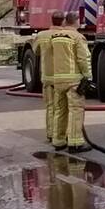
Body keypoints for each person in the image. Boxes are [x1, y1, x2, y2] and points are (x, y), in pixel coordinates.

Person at [47, 11, 93, 153]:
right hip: (73, 80)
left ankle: (58, 141)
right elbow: (83, 59)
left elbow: (50, 57)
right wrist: (88, 76)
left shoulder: (54, 37)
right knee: (75, 110)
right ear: (76, 21)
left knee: (60, 110)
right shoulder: (78, 37)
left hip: (58, 79)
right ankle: (75, 142)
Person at [36, 10, 65, 144]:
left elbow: (36, 51)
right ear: (63, 21)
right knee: (62, 108)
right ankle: (60, 134)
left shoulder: (41, 35)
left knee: (50, 106)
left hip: (47, 77)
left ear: (51, 20)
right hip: (63, 76)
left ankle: (50, 133)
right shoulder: (67, 35)